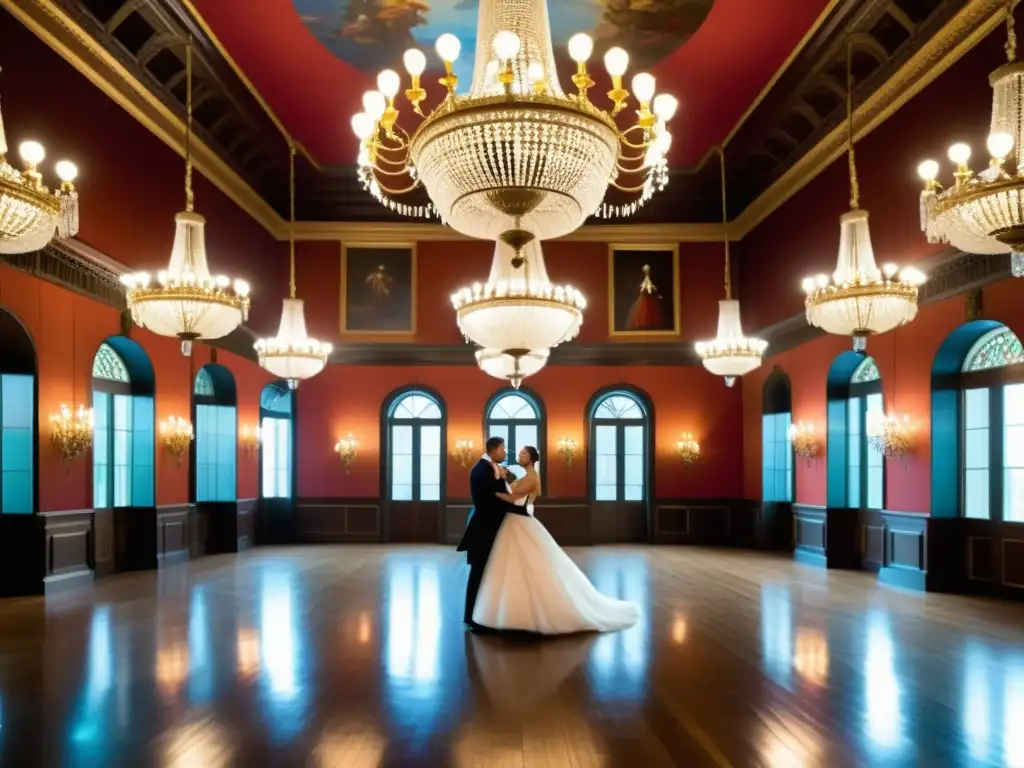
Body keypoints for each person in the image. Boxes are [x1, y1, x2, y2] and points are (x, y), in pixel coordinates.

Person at [470, 445, 640, 634]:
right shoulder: (523, 476)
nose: (519, 455)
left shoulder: (532, 477)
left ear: (532, 459)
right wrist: (505, 477)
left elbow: (513, 498)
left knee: (531, 565)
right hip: (513, 522)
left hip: (520, 521)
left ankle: (527, 614)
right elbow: (515, 487)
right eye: (519, 453)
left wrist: (496, 492)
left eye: (523, 454)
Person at [456, 436, 529, 631]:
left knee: (486, 573)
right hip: (483, 530)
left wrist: (509, 479)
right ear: (494, 450)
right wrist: (521, 510)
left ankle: (483, 615)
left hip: (490, 528)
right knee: (479, 573)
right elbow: (491, 503)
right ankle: (472, 618)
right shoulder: (482, 471)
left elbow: (509, 487)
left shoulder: (492, 469)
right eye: (503, 449)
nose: (505, 452)